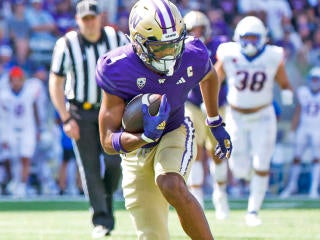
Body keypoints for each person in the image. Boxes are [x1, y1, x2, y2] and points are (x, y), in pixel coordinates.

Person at [96, 0, 232, 239]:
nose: (169, 54)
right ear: (137, 43)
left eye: (173, 44)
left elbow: (209, 76)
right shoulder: (116, 69)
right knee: (152, 235)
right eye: (160, 48)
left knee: (170, 183)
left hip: (175, 129)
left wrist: (214, 121)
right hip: (135, 150)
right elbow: (107, 141)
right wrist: (143, 136)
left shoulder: (193, 53)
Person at [49, 0, 127, 238]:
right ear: (77, 21)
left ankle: (105, 198)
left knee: (115, 163)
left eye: (93, 18)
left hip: (111, 109)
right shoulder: (67, 44)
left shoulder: (116, 38)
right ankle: (102, 220)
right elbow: (56, 82)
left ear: (100, 17)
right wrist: (65, 118)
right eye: (85, 19)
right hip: (80, 112)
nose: (90, 23)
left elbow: (133, 67)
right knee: (90, 168)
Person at [213, 16, 293, 226]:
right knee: (238, 166)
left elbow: (284, 82)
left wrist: (287, 94)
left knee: (261, 163)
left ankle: (253, 211)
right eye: (245, 37)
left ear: (263, 38)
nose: (249, 42)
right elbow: (215, 79)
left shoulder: (273, 55)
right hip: (236, 115)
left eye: (253, 37)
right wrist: (209, 101)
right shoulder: (228, 53)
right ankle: (237, 190)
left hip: (263, 115)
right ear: (237, 38)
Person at [183, 10, 229, 208]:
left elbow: (224, 65)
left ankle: (220, 192)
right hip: (192, 102)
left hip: (217, 104)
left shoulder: (219, 45)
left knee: (217, 150)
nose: (197, 33)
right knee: (194, 149)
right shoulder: (181, 48)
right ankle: (197, 195)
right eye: (193, 30)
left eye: (200, 29)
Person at [0, 66, 44, 197]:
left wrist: (38, 128)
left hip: (27, 128)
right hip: (11, 128)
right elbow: (3, 117)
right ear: (10, 81)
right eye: (14, 80)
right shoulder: (4, 95)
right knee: (9, 156)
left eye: (19, 79)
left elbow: (35, 108)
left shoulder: (30, 91)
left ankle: (23, 185)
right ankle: (13, 180)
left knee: (26, 156)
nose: (17, 82)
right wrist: (3, 136)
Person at [280, 67, 320, 199]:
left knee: (316, 159)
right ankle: (292, 185)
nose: (314, 82)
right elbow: (298, 111)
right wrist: (292, 130)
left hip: (317, 129)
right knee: (296, 158)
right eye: (313, 79)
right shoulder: (303, 92)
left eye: (317, 79)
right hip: (303, 128)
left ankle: (313, 188)